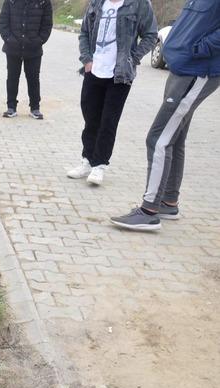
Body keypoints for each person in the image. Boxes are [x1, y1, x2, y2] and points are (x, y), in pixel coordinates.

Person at [111, 0, 220, 230]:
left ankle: (148, 211)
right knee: (174, 137)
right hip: (183, 67)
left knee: (158, 139)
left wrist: (199, 49)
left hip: (198, 70)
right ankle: (169, 202)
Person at [67, 0, 157, 185]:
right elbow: (84, 33)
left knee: (108, 121)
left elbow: (150, 35)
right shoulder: (97, 3)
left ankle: (99, 165)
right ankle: (87, 160)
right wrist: (87, 59)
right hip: (94, 70)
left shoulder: (138, 4)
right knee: (90, 118)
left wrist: (133, 58)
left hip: (120, 74)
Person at [0, 0, 53, 119]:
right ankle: (11, 107)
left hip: (34, 48)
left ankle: (35, 108)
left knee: (33, 78)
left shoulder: (44, 2)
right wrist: (9, 39)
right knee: (12, 77)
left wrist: (39, 40)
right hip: (13, 47)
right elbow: (3, 21)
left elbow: (47, 24)